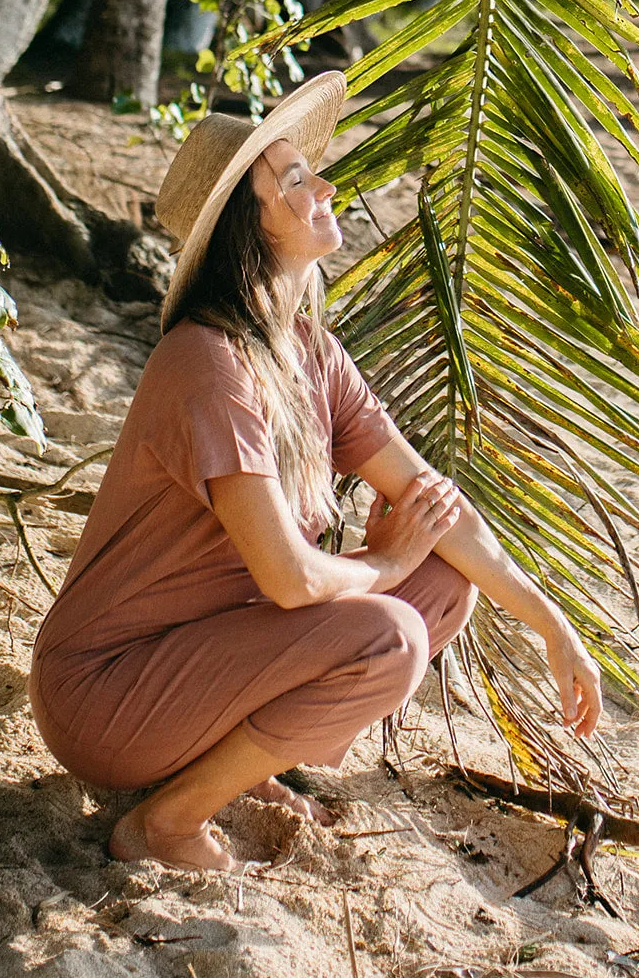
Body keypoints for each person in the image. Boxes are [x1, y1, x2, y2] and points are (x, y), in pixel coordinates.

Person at [29, 71, 602, 872]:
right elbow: (291, 582)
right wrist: (384, 563)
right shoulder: (207, 362)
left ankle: (233, 769)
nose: (325, 184)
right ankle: (163, 820)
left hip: (202, 655)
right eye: (294, 179)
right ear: (246, 228)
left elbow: (433, 503)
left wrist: (552, 626)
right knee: (393, 626)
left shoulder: (310, 354)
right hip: (106, 692)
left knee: (441, 586)